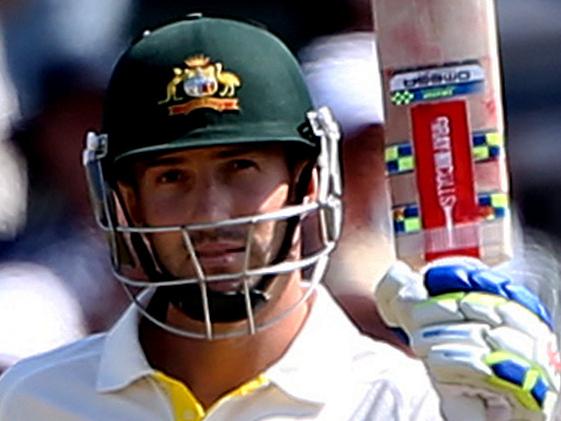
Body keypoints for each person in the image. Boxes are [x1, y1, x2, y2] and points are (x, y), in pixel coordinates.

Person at [0, 15, 557, 421]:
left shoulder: (406, 404)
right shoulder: (35, 401)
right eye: (171, 177)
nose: (210, 212)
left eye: (241, 167)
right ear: (125, 200)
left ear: (309, 180)